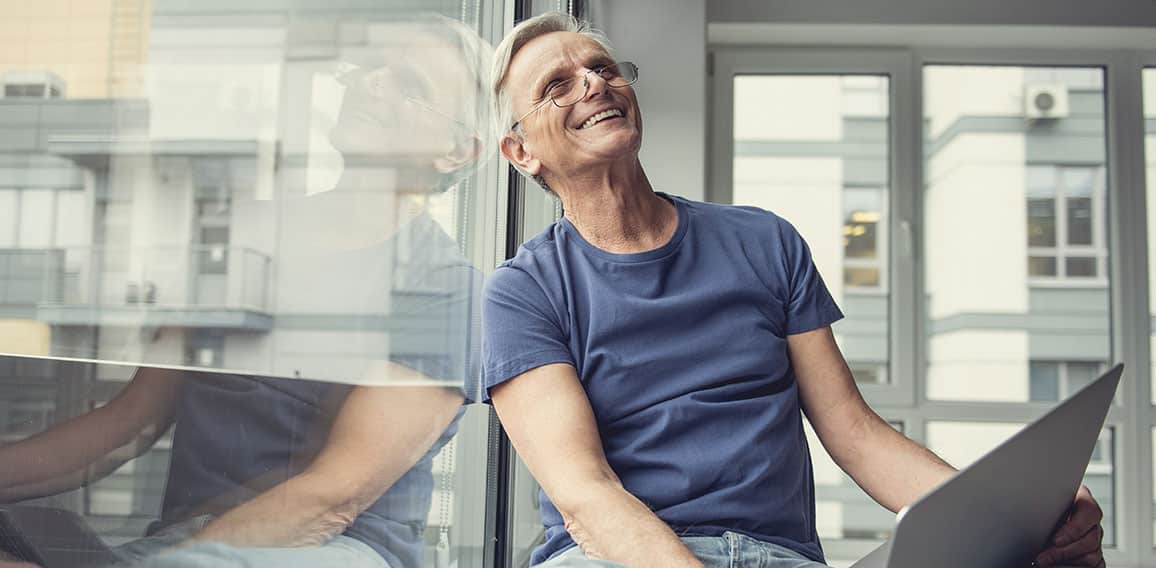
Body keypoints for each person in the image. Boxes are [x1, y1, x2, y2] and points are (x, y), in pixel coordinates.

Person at [481, 12, 1106, 568]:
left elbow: (854, 432)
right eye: (556, 87)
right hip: (618, 556)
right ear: (521, 151)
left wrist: (1012, 519)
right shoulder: (523, 292)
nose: (594, 84)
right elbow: (586, 494)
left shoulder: (764, 242)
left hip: (777, 555)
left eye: (601, 69)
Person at [0, 14, 491, 568]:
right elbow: (128, 425)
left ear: (458, 151)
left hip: (331, 548)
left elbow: (331, 501)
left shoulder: (447, 289)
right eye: (375, 67)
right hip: (187, 542)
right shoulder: (239, 238)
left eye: (410, 85)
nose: (375, 82)